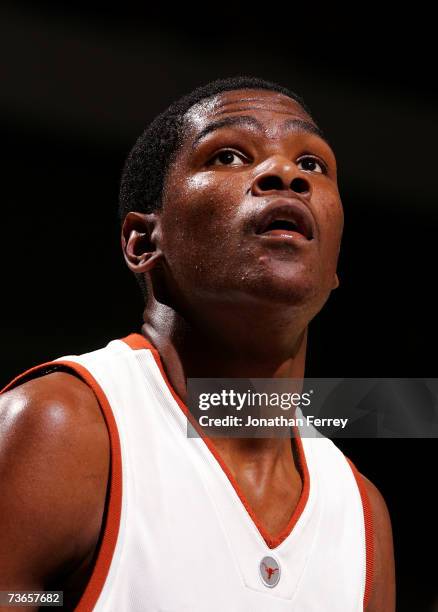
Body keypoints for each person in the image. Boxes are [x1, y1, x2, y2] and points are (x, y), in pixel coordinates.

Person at [0, 76, 395, 611]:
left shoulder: (361, 515)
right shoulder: (62, 428)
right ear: (143, 241)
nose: (285, 174)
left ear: (334, 267)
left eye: (313, 165)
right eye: (230, 155)